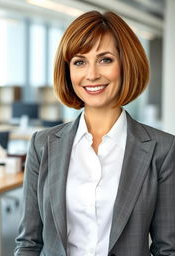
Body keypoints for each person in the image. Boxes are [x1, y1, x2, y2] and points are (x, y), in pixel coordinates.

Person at [14, 10, 175, 256]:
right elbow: (28, 244)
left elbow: (168, 249)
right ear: (68, 70)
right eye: (79, 61)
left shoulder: (162, 149)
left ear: (126, 64)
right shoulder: (42, 144)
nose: (91, 74)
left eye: (105, 59)